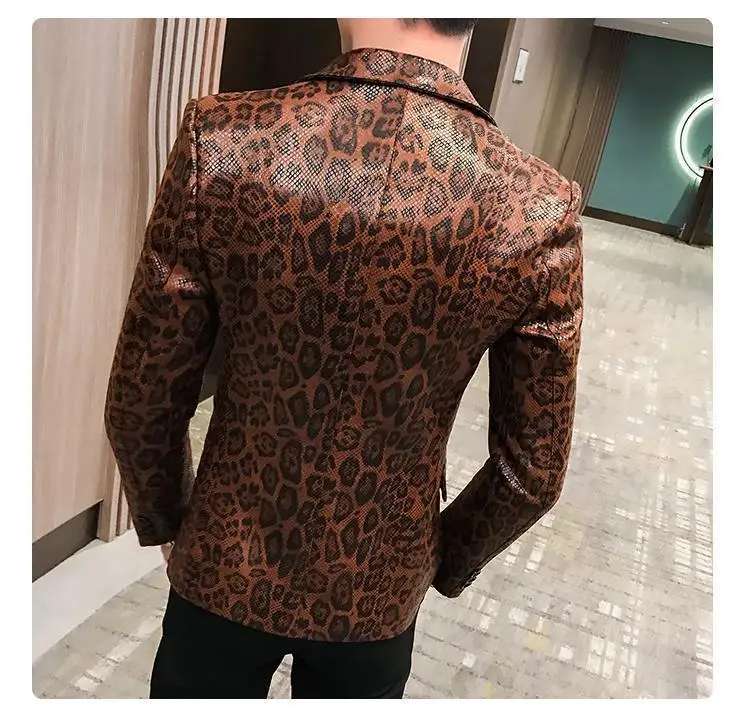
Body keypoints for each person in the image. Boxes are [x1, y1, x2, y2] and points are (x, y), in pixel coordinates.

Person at [104, 17, 583, 699]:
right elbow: (532, 471)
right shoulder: (535, 207)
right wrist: (437, 559)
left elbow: (142, 395)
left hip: (223, 561)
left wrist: (170, 519)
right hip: (379, 589)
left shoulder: (226, 140)